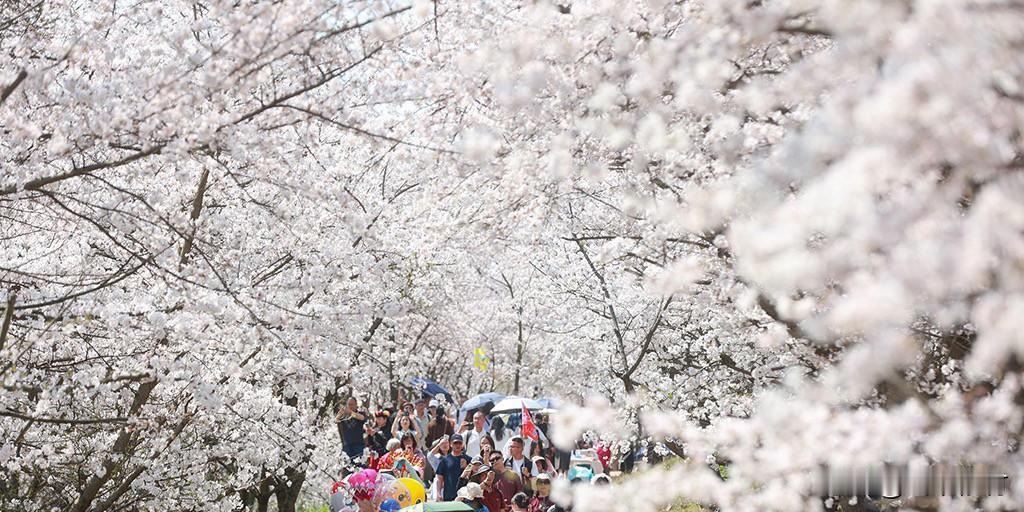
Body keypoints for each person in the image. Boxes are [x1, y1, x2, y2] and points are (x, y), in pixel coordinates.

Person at [436, 433, 472, 501]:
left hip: (465, 496)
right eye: (455, 443)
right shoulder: (445, 460)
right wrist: (438, 493)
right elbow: (439, 478)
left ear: (462, 444)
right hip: (449, 496)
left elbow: (473, 477)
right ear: (451, 444)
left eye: (460, 443)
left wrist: (466, 467)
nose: (458, 445)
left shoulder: (468, 459)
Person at [335, 397, 367, 461]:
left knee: (359, 465)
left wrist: (351, 413)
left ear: (356, 405)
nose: (350, 406)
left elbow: (362, 418)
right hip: (347, 445)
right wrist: (340, 414)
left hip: (358, 444)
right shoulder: (344, 416)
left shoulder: (360, 413)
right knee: (347, 466)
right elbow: (336, 420)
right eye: (349, 404)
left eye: (352, 404)